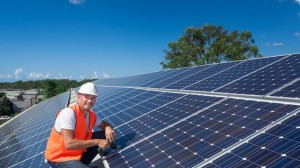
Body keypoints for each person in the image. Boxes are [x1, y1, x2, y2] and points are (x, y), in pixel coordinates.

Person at [45, 82, 116, 168]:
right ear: (79, 96)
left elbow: (105, 125)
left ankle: (80, 164)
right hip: (60, 158)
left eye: (93, 97)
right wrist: (97, 142)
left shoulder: (91, 115)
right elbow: (69, 144)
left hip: (77, 153)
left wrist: (108, 127)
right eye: (86, 96)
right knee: (98, 139)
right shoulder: (69, 113)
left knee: (105, 135)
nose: (90, 100)